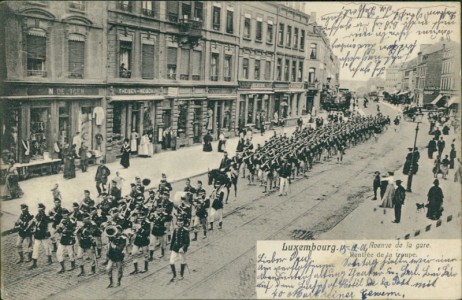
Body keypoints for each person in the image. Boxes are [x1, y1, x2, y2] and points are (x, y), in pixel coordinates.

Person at [29, 203, 52, 269]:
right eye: (38, 210)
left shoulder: (45, 217)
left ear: (43, 210)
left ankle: (49, 259)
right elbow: (34, 223)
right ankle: (34, 263)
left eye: (41, 210)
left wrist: (36, 222)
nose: (39, 211)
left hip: (44, 234)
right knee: (35, 248)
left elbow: (44, 226)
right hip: (38, 235)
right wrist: (33, 224)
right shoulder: (37, 216)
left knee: (46, 247)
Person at [56, 209, 77, 274]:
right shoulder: (62, 221)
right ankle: (62, 267)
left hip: (69, 238)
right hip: (63, 239)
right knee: (59, 253)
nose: (65, 216)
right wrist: (59, 229)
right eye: (63, 215)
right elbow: (59, 229)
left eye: (66, 215)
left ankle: (73, 265)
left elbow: (74, 230)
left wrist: (66, 231)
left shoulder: (72, 221)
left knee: (70, 253)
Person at [169, 217, 190, 281]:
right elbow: (173, 240)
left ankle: (181, 275)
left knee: (182, 261)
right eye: (178, 221)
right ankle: (174, 275)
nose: (180, 223)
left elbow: (187, 242)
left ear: (183, 223)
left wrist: (183, 248)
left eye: (181, 221)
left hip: (181, 248)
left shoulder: (185, 230)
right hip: (175, 248)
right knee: (171, 262)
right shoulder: (176, 229)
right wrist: (171, 248)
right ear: (176, 222)